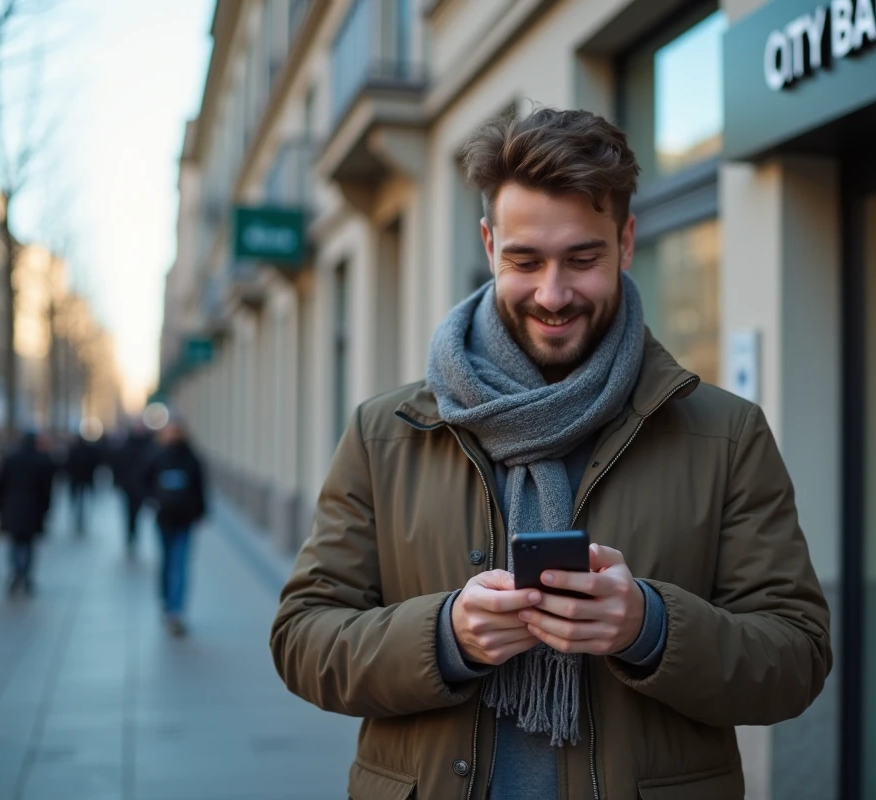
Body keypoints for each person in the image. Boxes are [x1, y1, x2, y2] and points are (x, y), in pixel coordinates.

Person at [271, 108, 833, 799]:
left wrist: (649, 627)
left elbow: (797, 658)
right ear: (488, 245)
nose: (553, 294)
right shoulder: (386, 431)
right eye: (525, 260)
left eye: (582, 258)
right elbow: (302, 639)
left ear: (626, 242)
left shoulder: (726, 434)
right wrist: (445, 635)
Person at [142, 419, 206, 637]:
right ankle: (171, 606)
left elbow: (199, 488)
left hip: (180, 520)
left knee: (175, 563)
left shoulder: (186, 458)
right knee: (171, 562)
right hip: (167, 519)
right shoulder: (161, 456)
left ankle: (173, 610)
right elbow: (146, 482)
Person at [0, 431, 55, 596]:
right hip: (33, 510)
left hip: (12, 509)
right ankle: (25, 575)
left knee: (15, 543)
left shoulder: (11, 459)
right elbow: (46, 489)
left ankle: (16, 573)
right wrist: (46, 508)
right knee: (28, 544)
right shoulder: (40, 460)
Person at [115, 423, 154, 556]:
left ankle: (134, 535)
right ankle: (131, 536)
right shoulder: (127, 446)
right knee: (129, 514)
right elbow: (118, 465)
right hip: (128, 487)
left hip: (141, 488)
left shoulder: (149, 446)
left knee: (137, 514)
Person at [64, 433, 101, 536]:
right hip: (86, 479)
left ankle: (78, 520)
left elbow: (67, 465)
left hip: (76, 480)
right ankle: (80, 521)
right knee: (83, 501)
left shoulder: (73, 451)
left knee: (77, 501)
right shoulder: (89, 450)